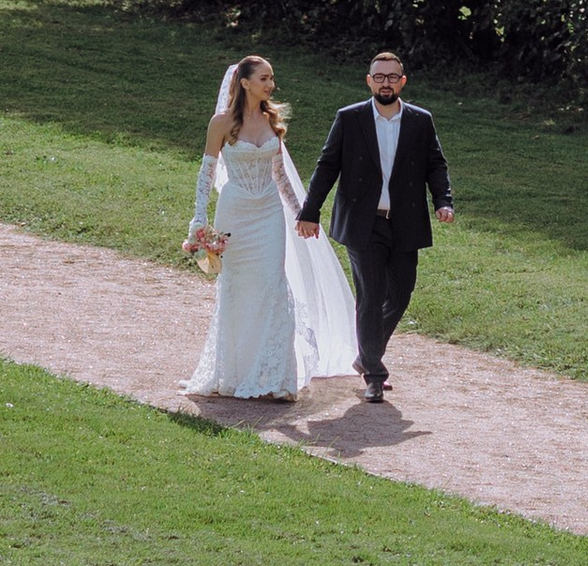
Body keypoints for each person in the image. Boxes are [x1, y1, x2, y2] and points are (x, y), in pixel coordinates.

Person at [180, 54, 356, 403]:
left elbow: (280, 177)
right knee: (238, 289)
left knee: (273, 286)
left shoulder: (272, 121)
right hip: (236, 214)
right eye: (264, 78)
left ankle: (276, 376)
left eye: (271, 78)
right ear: (244, 82)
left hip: (269, 214)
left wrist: (301, 213)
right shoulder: (221, 123)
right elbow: (207, 174)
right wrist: (199, 220)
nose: (270, 85)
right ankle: (234, 371)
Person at [296, 49, 453, 402]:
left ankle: (365, 356)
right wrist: (310, 210)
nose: (386, 83)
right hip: (363, 224)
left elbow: (435, 164)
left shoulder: (419, 120)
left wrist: (443, 200)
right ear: (369, 81)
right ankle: (374, 374)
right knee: (369, 297)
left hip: (406, 222)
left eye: (392, 77)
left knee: (400, 294)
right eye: (379, 77)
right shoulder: (350, 119)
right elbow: (327, 166)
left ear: (403, 81)